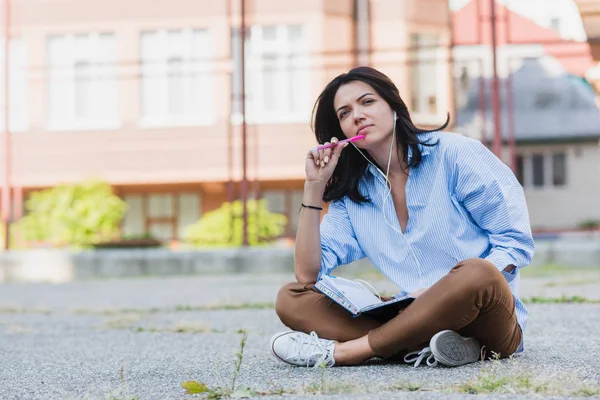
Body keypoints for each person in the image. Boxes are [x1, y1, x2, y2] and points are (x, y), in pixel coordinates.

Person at [269, 66, 534, 369]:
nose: (356, 115)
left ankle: (350, 351)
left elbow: (515, 244)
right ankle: (437, 347)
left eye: (367, 102)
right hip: (412, 312)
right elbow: (308, 275)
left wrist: (440, 292)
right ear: (340, 130)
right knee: (291, 298)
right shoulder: (353, 193)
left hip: (486, 316)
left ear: (394, 106)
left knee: (478, 272)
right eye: (344, 113)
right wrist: (314, 187)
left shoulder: (456, 154)